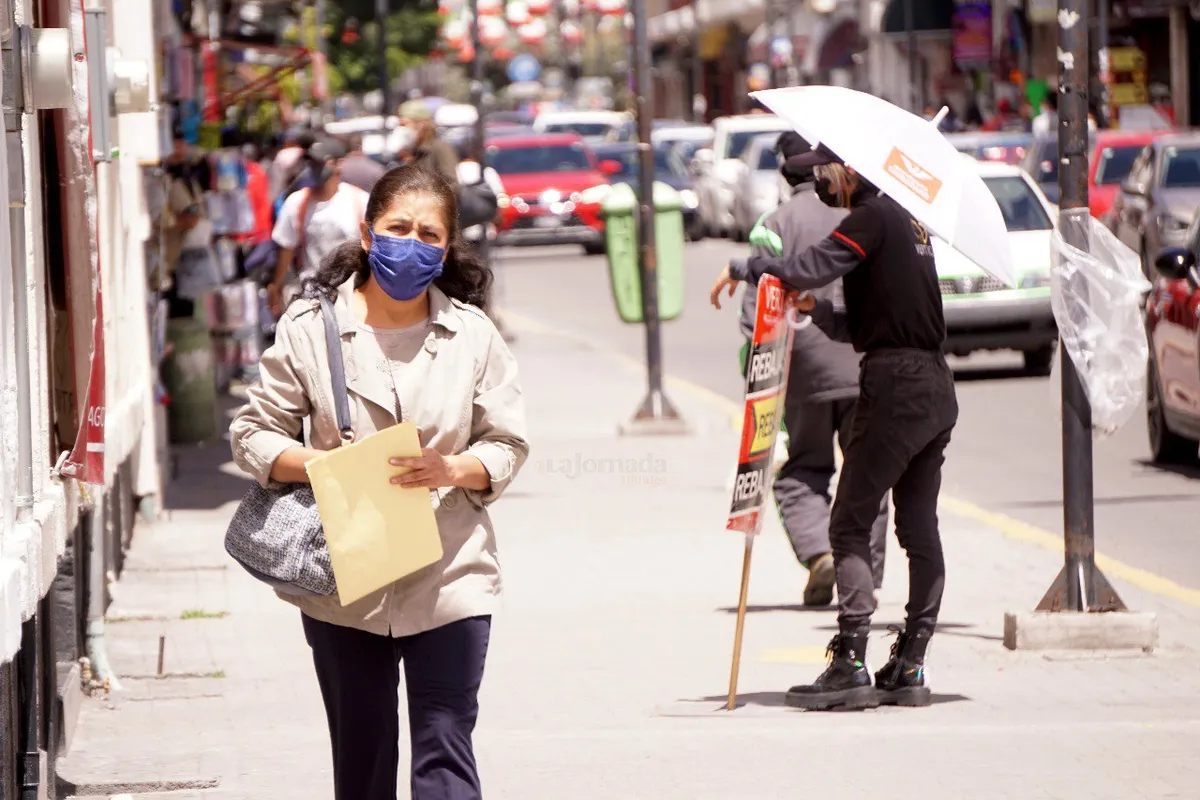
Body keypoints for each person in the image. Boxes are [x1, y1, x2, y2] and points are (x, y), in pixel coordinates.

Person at [229, 165, 528, 800]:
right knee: (362, 760)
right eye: (398, 229)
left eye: (430, 235)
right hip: (344, 580)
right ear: (368, 235)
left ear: (447, 248)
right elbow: (254, 433)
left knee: (446, 746)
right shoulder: (311, 329)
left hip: (451, 573)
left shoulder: (472, 334)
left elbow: (506, 442)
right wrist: (321, 465)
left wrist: (452, 469)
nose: (412, 244)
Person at [710, 144, 958, 712]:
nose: (820, 182)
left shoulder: (871, 216)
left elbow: (809, 266)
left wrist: (745, 266)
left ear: (849, 170)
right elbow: (875, 323)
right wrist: (817, 311)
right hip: (932, 386)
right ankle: (911, 662)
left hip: (895, 387)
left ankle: (850, 660)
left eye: (825, 171)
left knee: (848, 521)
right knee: (919, 527)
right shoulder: (908, 222)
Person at [741, 131, 889, 608]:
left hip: (801, 367)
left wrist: (757, 382)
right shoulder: (866, 215)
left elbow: (755, 317)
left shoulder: (774, 222)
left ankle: (821, 553)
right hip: (865, 361)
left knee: (803, 468)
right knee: (868, 470)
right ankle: (860, 569)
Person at [267, 140, 370, 316]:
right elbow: (286, 248)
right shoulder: (297, 202)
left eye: (321, 163)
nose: (315, 167)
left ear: (339, 164)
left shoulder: (359, 200)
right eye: (311, 163)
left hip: (353, 292)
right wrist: (275, 286)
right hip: (313, 294)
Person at [398, 100, 460, 188]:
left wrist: (427, 199)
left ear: (421, 124)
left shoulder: (439, 148)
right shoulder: (411, 150)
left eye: (405, 124)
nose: (401, 129)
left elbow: (453, 186)